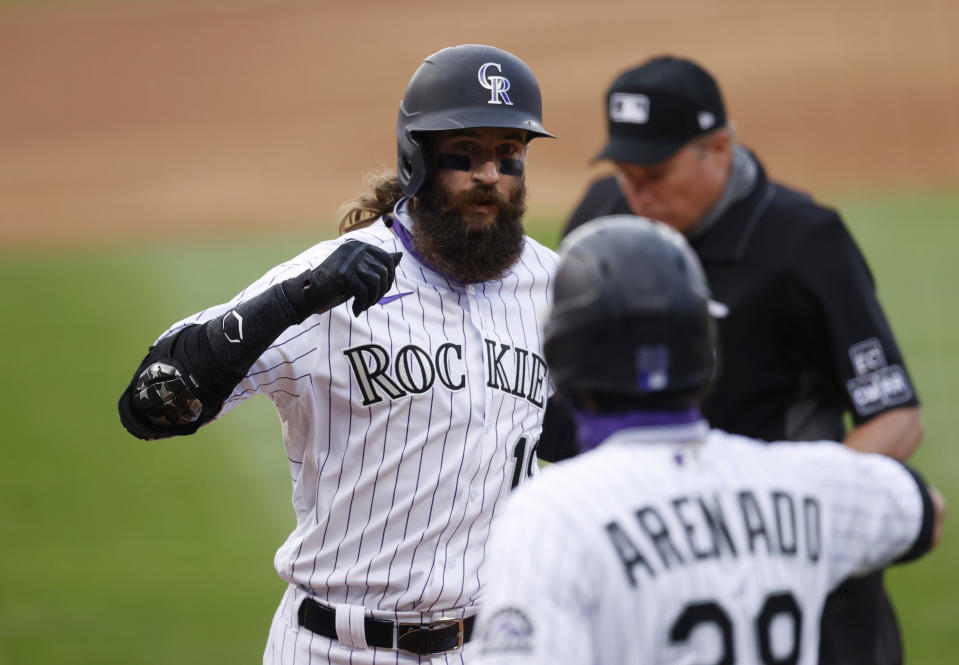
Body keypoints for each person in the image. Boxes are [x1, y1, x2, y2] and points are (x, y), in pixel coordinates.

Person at [118, 44, 573, 664]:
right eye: (463, 154)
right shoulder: (328, 284)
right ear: (418, 158)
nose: (488, 175)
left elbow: (581, 440)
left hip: (492, 646)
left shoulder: (554, 287)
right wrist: (295, 300)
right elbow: (152, 401)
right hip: (335, 646)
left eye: (508, 155)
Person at [550, 55, 923, 665]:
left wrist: (780, 503)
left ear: (718, 148)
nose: (635, 193)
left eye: (655, 172)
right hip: (649, 567)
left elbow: (896, 418)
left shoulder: (802, 243)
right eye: (624, 172)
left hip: (800, 590)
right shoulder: (602, 221)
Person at [473, 215, 944, 665]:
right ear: (706, 350)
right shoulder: (806, 482)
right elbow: (927, 512)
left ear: (563, 356)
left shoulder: (552, 517)